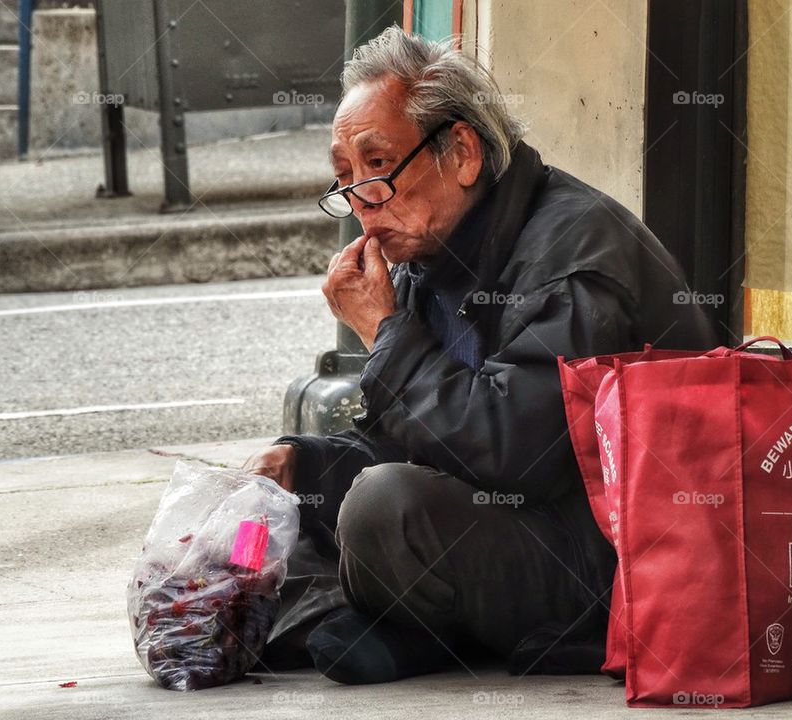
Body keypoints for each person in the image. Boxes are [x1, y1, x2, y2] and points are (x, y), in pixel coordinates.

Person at [242, 25, 715, 684]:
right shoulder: (431, 250)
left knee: (383, 511)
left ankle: (386, 628)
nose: (362, 204)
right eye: (346, 180)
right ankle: (388, 628)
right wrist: (304, 465)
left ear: (461, 153)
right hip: (520, 525)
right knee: (289, 502)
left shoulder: (574, 256)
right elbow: (420, 442)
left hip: (615, 561)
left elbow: (513, 455)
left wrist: (385, 334)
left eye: (380, 168)